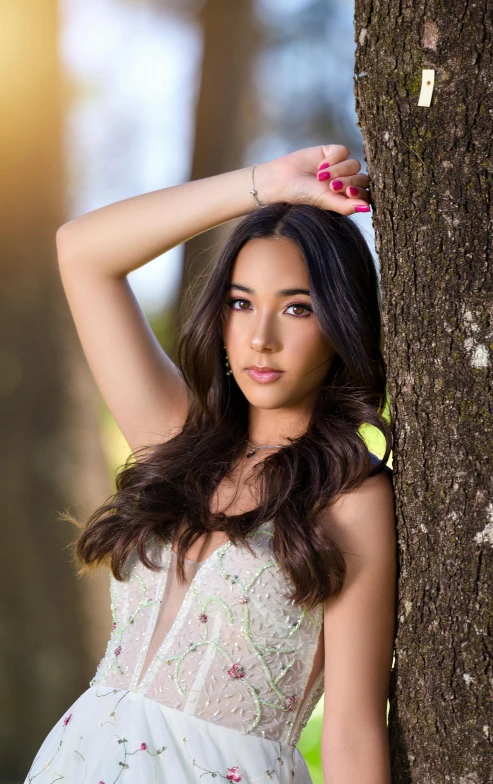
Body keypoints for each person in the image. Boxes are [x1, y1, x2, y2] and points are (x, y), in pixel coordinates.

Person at [24, 144, 396, 784]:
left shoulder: (349, 497)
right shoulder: (179, 442)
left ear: (341, 321)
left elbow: (354, 733)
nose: (262, 338)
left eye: (298, 308)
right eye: (241, 302)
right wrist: (266, 183)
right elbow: (82, 251)